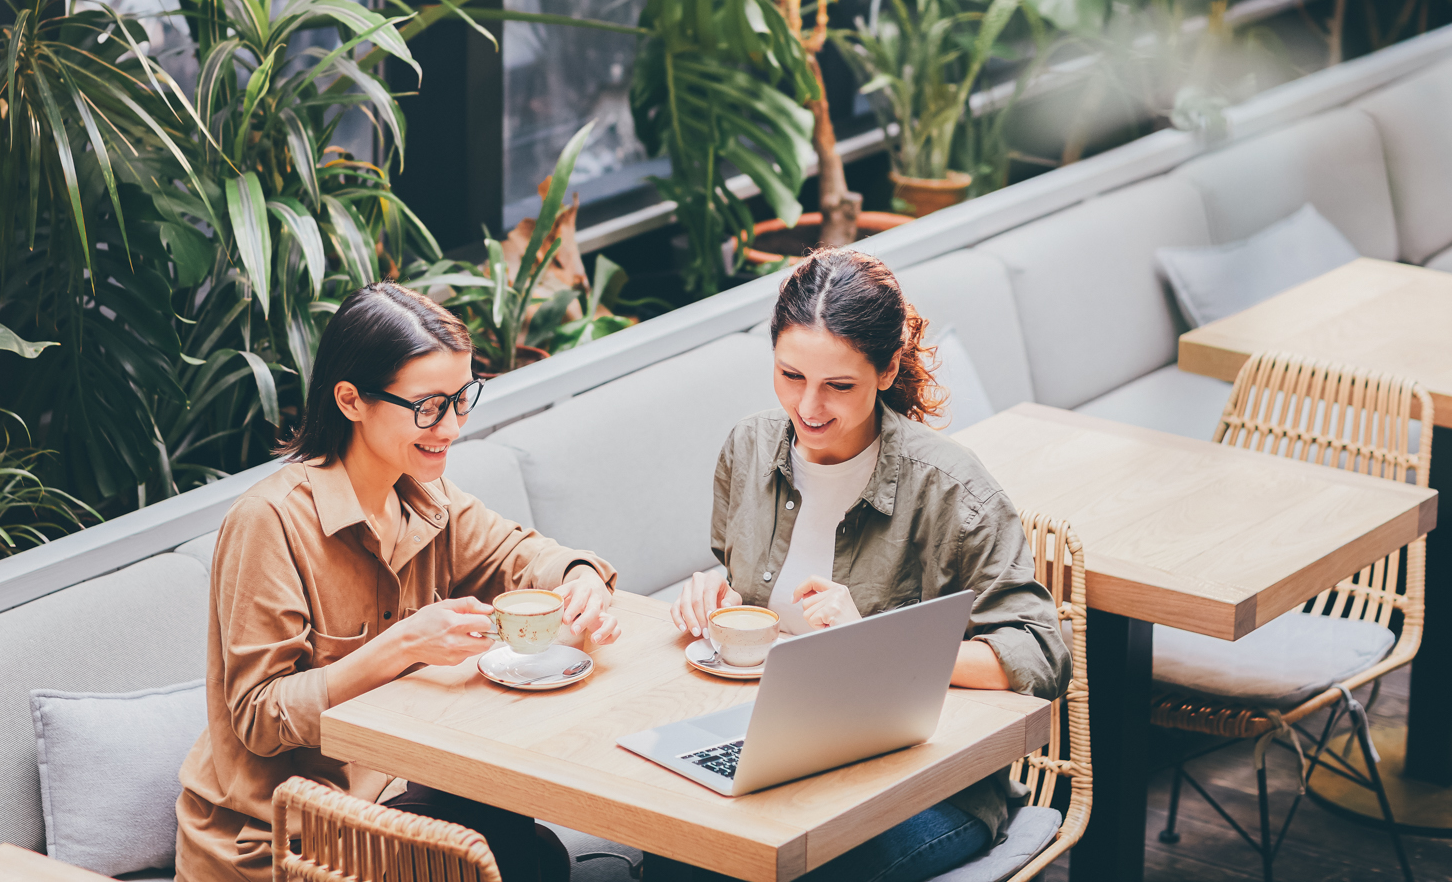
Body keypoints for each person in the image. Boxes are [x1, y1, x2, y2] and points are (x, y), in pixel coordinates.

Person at [175, 282, 621, 882]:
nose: (453, 426)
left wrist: (580, 576)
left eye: (462, 398)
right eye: (429, 406)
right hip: (282, 839)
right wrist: (405, 645)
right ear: (351, 400)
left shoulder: (424, 497)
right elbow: (259, 715)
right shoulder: (270, 522)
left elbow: (520, 553)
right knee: (522, 859)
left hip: (388, 797)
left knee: (530, 848)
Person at [662, 248, 1067, 882]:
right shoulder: (748, 448)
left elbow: (1041, 654)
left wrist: (875, 645)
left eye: (839, 385)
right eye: (790, 375)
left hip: (928, 785)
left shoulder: (950, 488)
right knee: (676, 851)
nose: (810, 407)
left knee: (800, 869)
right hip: (780, 753)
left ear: (887, 370)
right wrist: (717, 594)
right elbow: (748, 592)